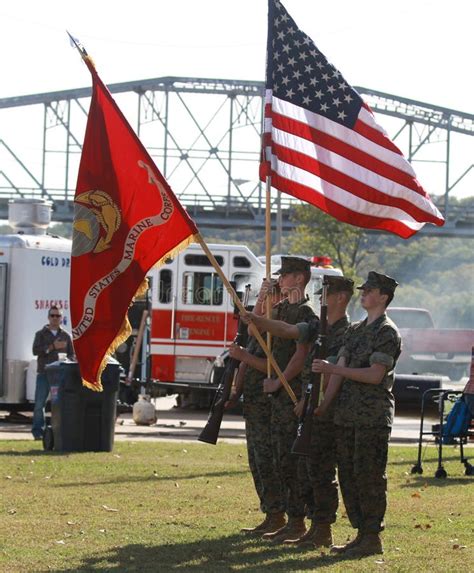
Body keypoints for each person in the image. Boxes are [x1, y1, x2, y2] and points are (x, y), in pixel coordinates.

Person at [243, 275, 354, 548]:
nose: (321, 298)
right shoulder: (318, 326)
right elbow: (289, 331)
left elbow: (330, 374)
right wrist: (258, 317)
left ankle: (321, 527)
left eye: (326, 293)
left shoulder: (346, 332)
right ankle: (301, 523)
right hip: (307, 408)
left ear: (340, 297)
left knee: (321, 472)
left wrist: (317, 403)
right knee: (301, 470)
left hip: (324, 413)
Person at [313, 271, 401, 557]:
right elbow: (339, 365)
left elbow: (375, 375)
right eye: (364, 290)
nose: (363, 293)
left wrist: (333, 369)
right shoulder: (356, 330)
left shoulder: (387, 332)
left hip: (372, 418)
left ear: (383, 297)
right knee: (349, 476)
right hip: (346, 416)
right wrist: (324, 406)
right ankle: (360, 533)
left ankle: (371, 535)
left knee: (369, 477)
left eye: (370, 290)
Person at [231, 256, 316, 543]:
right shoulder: (281, 309)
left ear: (300, 278)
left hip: (286, 394)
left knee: (287, 463)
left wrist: (278, 381)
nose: (281, 280)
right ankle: (276, 515)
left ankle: (294, 520)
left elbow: (299, 353)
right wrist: (259, 306)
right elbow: (255, 331)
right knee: (269, 460)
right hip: (272, 396)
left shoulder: (305, 313)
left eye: (286, 275)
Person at [225, 279, 287, 535]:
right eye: (259, 298)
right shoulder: (255, 330)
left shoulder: (274, 330)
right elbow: (244, 365)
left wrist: (244, 357)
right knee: (257, 462)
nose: (259, 304)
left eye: (264, 298)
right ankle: (270, 513)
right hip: (252, 405)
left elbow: (275, 368)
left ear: (277, 300)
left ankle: (278, 515)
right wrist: (234, 391)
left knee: (268, 461)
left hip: (268, 407)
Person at [31, 306, 74, 440]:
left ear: (61, 318)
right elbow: (35, 351)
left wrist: (68, 360)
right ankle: (38, 432)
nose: (55, 318)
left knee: (60, 405)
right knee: (39, 404)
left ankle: (59, 431)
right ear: (49, 317)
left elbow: (72, 355)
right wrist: (52, 347)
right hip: (44, 373)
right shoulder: (41, 334)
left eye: (58, 316)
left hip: (60, 376)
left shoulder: (66, 336)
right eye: (53, 316)